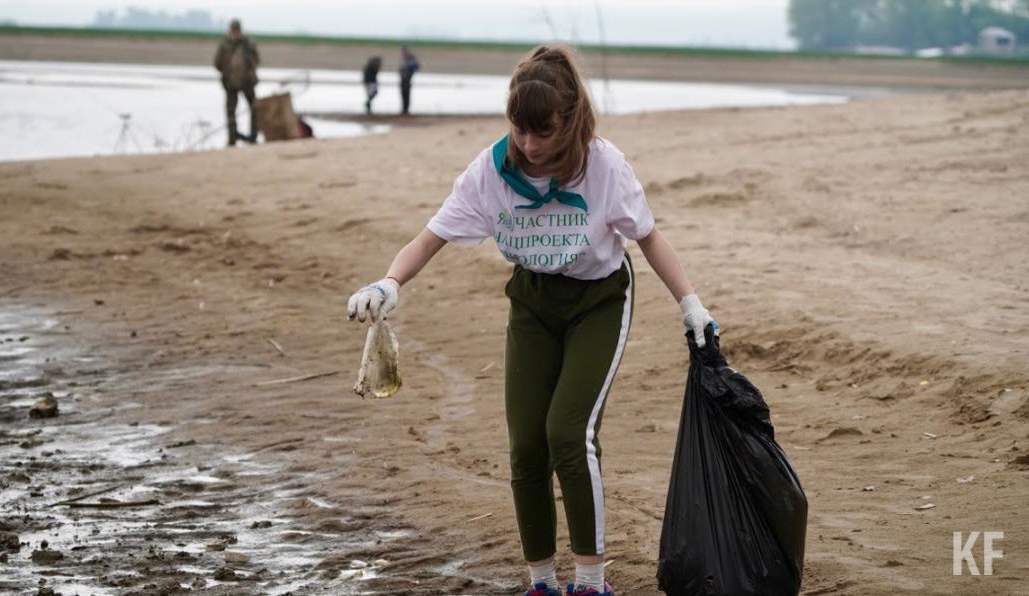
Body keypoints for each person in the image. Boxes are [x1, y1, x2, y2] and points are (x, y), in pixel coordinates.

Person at [346, 44, 717, 596]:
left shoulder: (603, 167)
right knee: (526, 447)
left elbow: (648, 238)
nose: (529, 144)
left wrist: (691, 304)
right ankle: (541, 583)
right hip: (533, 303)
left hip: (598, 301)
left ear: (569, 121)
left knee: (568, 433)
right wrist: (389, 283)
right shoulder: (490, 172)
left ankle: (590, 583)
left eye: (543, 132)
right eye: (520, 130)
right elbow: (429, 238)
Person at [213, 18, 259, 146]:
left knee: (255, 108)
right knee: (230, 112)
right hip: (230, 84)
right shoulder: (224, 45)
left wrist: (249, 72)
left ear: (240, 30)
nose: (235, 32)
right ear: (230, 30)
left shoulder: (248, 44)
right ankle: (232, 138)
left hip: (247, 82)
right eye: (233, 30)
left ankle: (253, 136)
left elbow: (256, 60)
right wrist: (227, 72)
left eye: (237, 30)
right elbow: (217, 63)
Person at [398, 45, 419, 115]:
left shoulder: (411, 58)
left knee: (407, 94)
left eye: (405, 51)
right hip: (403, 78)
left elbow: (416, 66)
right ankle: (404, 109)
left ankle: (406, 109)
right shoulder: (404, 58)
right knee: (403, 94)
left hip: (407, 79)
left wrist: (409, 69)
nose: (404, 53)